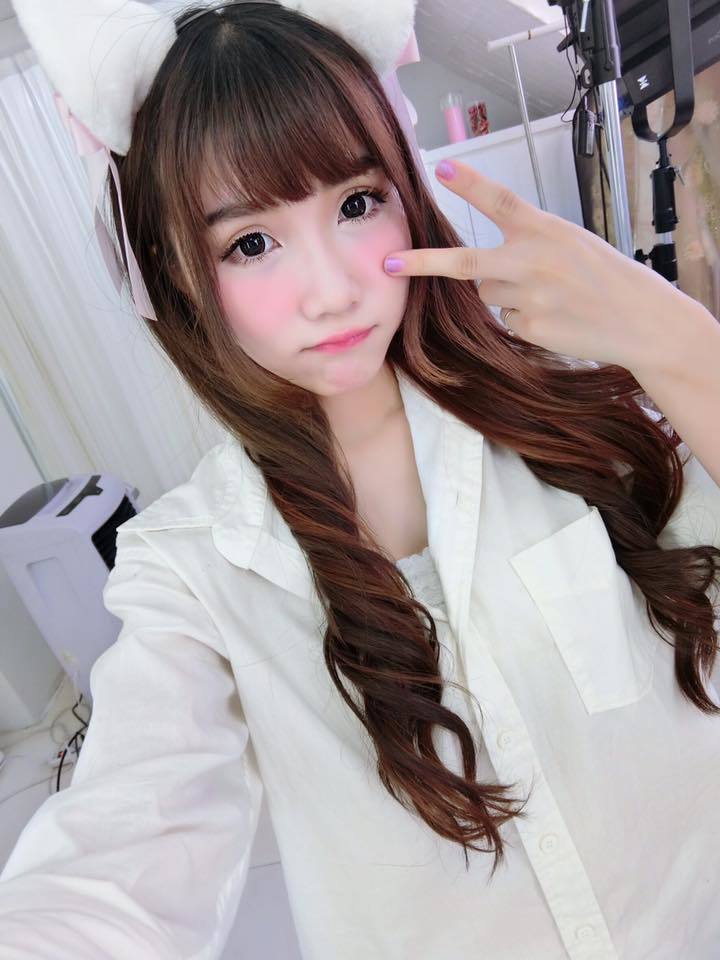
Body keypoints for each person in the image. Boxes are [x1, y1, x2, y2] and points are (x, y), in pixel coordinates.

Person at [1, 2, 720, 958]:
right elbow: (121, 853)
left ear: (406, 188)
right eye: (251, 243)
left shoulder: (576, 415)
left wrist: (675, 337)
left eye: (355, 204)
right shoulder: (194, 569)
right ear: (174, 272)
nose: (333, 289)